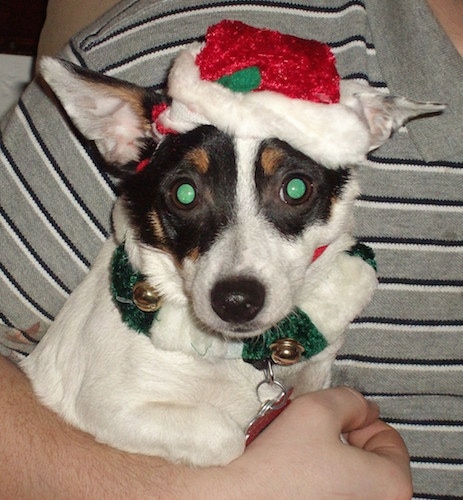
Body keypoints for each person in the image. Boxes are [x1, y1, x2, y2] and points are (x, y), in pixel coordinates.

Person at [0, 0, 461, 497]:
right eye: (185, 194)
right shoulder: (133, 47)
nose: (239, 270)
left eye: (294, 190)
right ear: (120, 134)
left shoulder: (329, 288)